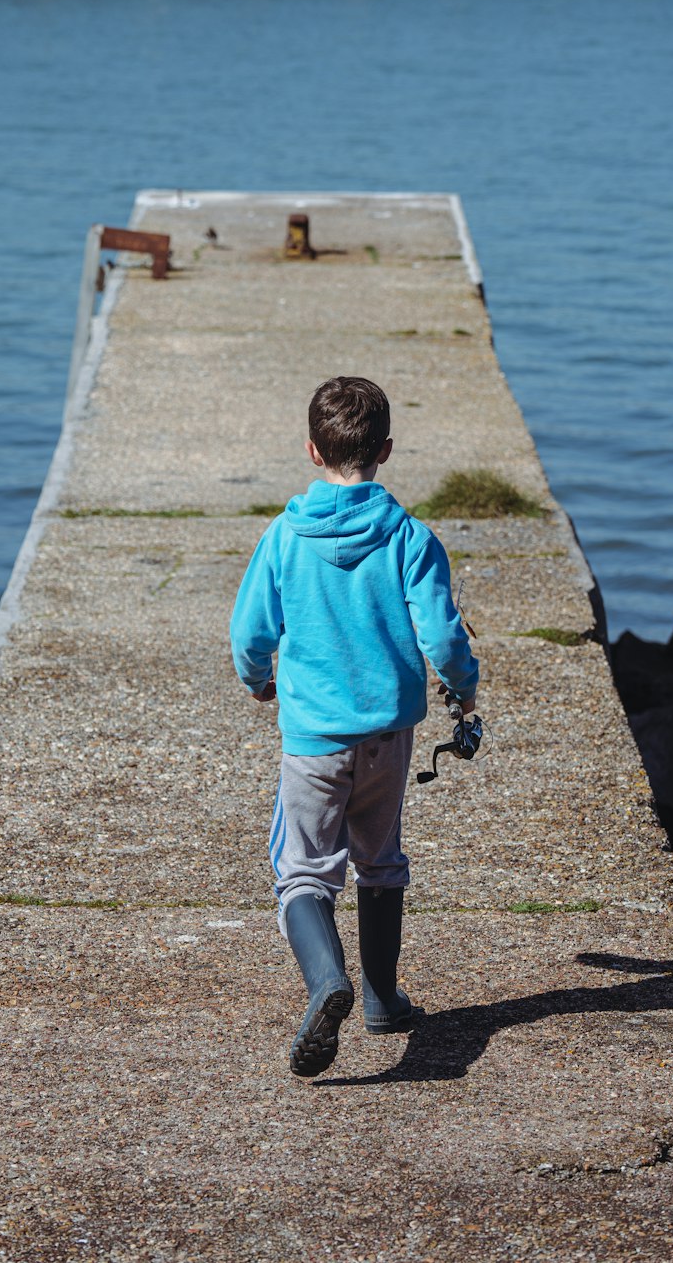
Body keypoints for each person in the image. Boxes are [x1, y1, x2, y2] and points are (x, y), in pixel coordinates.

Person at [229, 376, 479, 1078]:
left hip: (314, 738)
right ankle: (379, 996)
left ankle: (324, 982)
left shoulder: (283, 538)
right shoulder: (411, 537)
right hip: (389, 737)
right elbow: (443, 635)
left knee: (302, 869)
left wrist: (259, 682)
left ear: (312, 450)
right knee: (381, 858)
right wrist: (464, 691)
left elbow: (250, 633)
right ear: (387, 451)